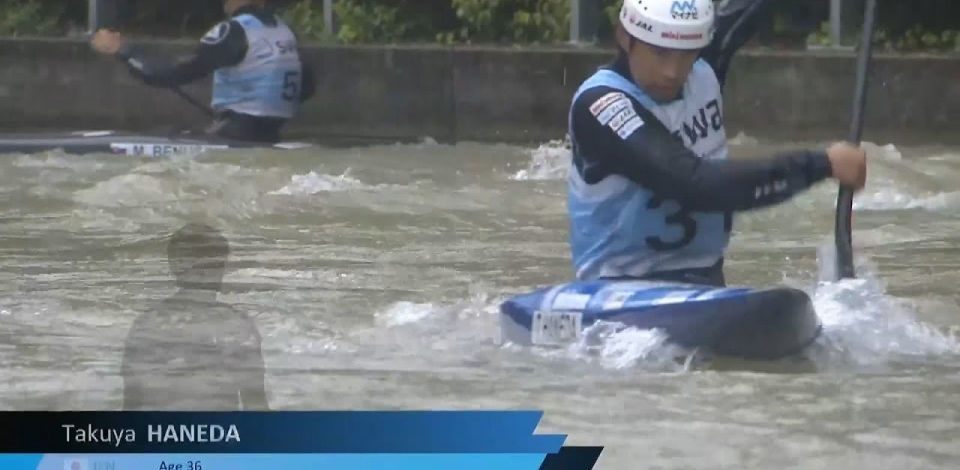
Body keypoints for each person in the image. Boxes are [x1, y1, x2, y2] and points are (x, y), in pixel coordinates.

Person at [566, 0, 868, 287]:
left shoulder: (703, 64)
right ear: (624, 37)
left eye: (686, 54)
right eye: (659, 53)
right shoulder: (601, 105)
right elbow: (693, 184)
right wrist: (821, 164)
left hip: (704, 282)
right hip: (616, 287)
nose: (673, 71)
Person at [90, 0, 316, 144]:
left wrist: (123, 50)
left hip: (235, 135)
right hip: (270, 136)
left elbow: (170, 74)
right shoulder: (286, 32)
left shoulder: (234, 30)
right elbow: (306, 88)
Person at [121, 222, 269, 410]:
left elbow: (130, 408)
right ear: (219, 267)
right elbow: (256, 408)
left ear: (173, 266)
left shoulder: (145, 325)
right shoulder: (237, 326)